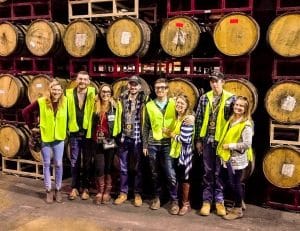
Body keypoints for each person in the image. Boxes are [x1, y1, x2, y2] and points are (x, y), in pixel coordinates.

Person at [194, 71, 236, 216]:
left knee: (219, 173)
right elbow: (198, 120)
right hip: (207, 140)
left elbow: (235, 122)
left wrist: (231, 142)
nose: (214, 84)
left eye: (217, 81)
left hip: (222, 141)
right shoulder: (205, 98)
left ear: (223, 82)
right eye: (212, 81)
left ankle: (219, 201)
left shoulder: (231, 99)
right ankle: (206, 202)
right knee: (207, 172)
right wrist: (198, 140)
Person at [22, 79, 67, 203]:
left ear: (61, 91)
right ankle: (48, 190)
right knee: (46, 164)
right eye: (54, 89)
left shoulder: (66, 102)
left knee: (58, 164)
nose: (56, 92)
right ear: (50, 90)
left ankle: (58, 189)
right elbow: (25, 112)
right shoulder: (42, 102)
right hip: (45, 137)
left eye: (58, 89)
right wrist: (32, 127)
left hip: (59, 138)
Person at [113, 75, 148, 207]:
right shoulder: (122, 98)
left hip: (137, 138)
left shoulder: (144, 99)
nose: (133, 87)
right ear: (128, 85)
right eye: (131, 84)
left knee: (138, 168)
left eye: (135, 85)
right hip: (124, 138)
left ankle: (137, 194)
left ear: (139, 86)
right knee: (123, 167)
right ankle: (123, 193)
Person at [217, 96, 254, 220]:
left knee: (235, 183)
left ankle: (238, 209)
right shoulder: (233, 119)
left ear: (245, 109)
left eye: (241, 106)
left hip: (236, 159)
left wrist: (230, 146)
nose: (238, 107)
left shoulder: (246, 124)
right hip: (228, 157)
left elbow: (247, 144)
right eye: (236, 105)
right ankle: (238, 203)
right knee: (232, 182)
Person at [66, 71, 96, 200]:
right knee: (75, 161)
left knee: (88, 162)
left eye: (85, 79)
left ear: (88, 81)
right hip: (74, 133)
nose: (82, 81)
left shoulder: (93, 93)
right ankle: (74, 187)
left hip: (88, 133)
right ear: (76, 80)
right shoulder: (68, 94)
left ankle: (86, 188)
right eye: (80, 79)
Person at [163, 94, 195, 216]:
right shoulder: (178, 117)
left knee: (185, 179)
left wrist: (170, 134)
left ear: (187, 105)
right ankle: (176, 202)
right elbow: (170, 98)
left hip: (184, 154)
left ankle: (186, 204)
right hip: (176, 152)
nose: (179, 105)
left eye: (182, 103)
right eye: (178, 103)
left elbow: (184, 139)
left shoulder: (187, 119)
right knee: (176, 178)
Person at [86, 84, 117, 205]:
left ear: (111, 93)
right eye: (103, 92)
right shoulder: (94, 106)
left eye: (108, 92)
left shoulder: (115, 106)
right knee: (99, 167)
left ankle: (107, 192)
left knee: (109, 166)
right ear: (99, 93)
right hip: (97, 140)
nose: (105, 94)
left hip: (109, 140)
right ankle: (100, 191)